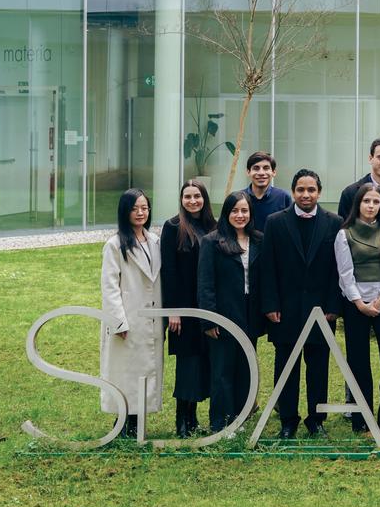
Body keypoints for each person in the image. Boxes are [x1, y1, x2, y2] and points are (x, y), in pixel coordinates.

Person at [260, 169, 342, 438]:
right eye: (301, 190)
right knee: (286, 365)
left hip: (321, 309)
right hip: (285, 308)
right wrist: (270, 304)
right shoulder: (275, 222)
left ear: (319, 192)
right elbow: (268, 266)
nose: (306, 195)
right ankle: (287, 419)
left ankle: (316, 420)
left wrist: (333, 306)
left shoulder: (334, 222)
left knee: (318, 366)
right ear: (293, 192)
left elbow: (337, 269)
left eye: (311, 190)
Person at [334, 182, 380, 436]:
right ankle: (362, 421)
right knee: (358, 362)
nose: (371, 206)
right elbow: (344, 273)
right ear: (358, 204)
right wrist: (359, 303)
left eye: (376, 202)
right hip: (356, 306)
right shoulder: (345, 233)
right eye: (367, 201)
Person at [99, 188, 163, 438]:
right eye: (135, 208)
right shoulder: (114, 245)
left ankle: (139, 421)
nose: (140, 213)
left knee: (146, 370)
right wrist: (118, 322)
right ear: (125, 211)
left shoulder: (155, 241)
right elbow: (109, 286)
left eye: (144, 208)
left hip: (151, 317)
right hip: (128, 318)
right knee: (125, 372)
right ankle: (123, 421)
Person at [197, 191, 262, 432]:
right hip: (222, 314)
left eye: (244, 210)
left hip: (249, 313)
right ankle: (220, 423)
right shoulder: (212, 241)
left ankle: (241, 417)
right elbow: (205, 283)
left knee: (246, 368)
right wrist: (208, 320)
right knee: (222, 370)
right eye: (235, 210)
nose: (240, 215)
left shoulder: (258, 240)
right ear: (226, 213)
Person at [160, 180, 217, 437]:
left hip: (206, 307)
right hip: (183, 311)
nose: (192, 200)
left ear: (204, 198)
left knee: (203, 364)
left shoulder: (212, 227)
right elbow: (168, 271)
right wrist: (173, 309)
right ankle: (181, 421)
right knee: (187, 366)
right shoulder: (173, 227)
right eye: (187, 196)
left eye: (197, 196)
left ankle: (194, 419)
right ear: (181, 199)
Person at [244, 151, 292, 234]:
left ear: (274, 172)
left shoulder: (283, 197)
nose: (261, 173)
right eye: (256, 168)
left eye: (266, 168)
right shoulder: (240, 197)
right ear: (248, 172)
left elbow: (291, 228)